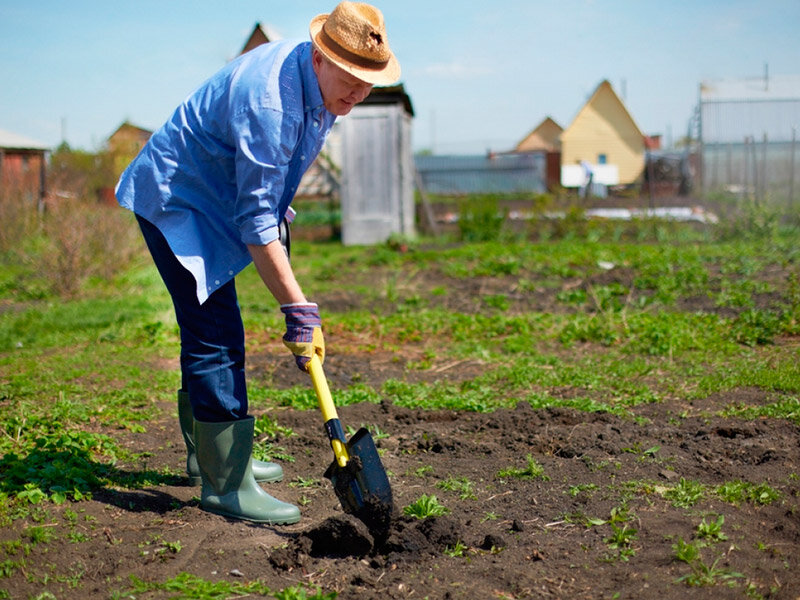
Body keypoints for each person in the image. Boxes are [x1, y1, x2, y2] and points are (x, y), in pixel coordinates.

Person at [115, 1, 400, 524]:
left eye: (369, 81)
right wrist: (297, 307)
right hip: (176, 199)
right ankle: (226, 485)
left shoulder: (321, 91)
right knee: (216, 331)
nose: (360, 91)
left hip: (213, 197)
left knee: (208, 326)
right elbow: (256, 221)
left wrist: (280, 241)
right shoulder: (271, 102)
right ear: (320, 56)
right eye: (352, 77)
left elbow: (269, 189)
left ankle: (210, 460)